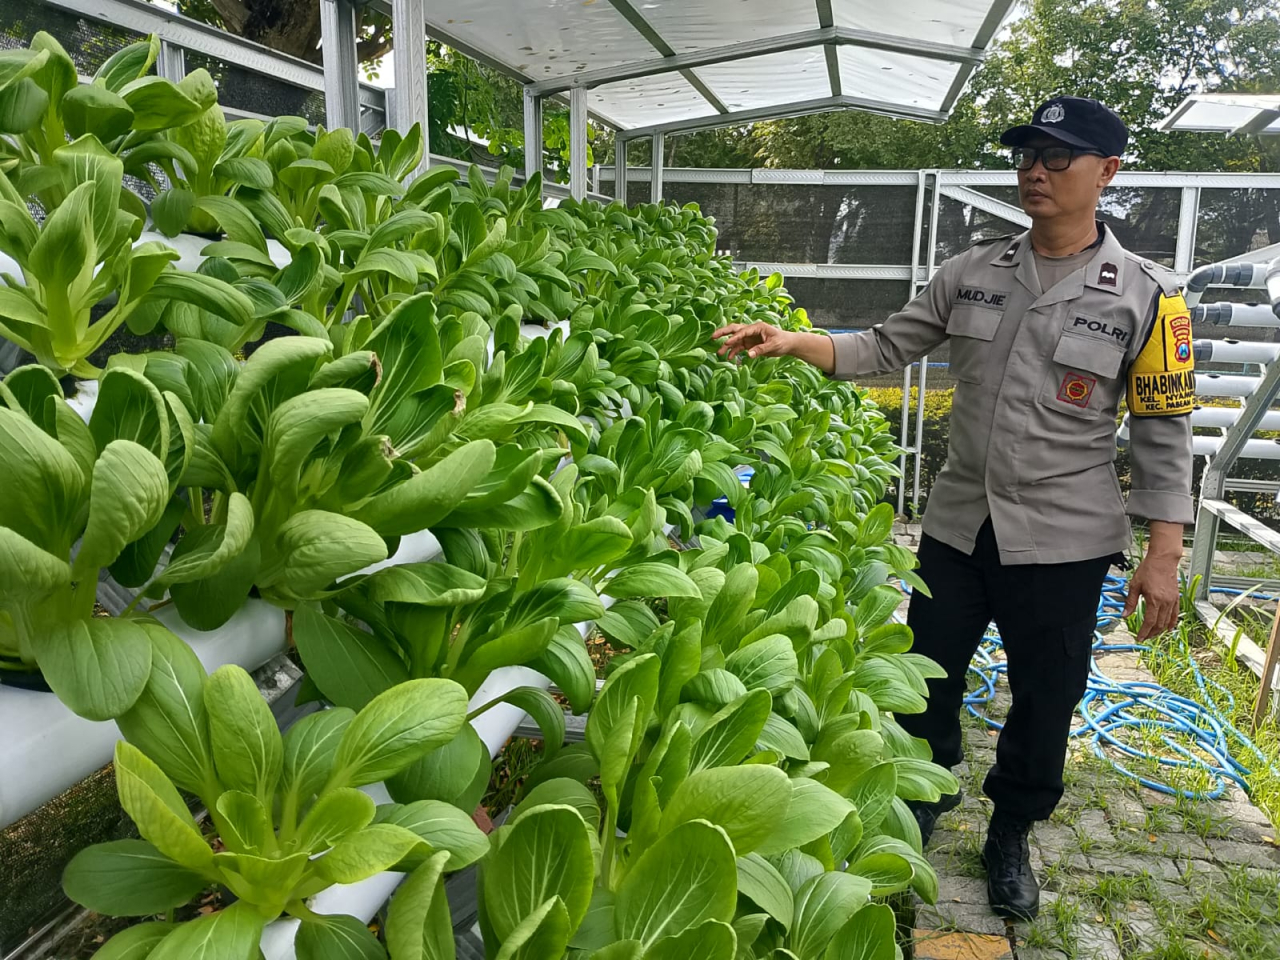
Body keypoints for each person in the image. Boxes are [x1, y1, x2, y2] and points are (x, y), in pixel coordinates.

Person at [713, 96, 1194, 921]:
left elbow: (1162, 431)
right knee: (924, 684)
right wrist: (797, 341)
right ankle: (911, 815)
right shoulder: (971, 272)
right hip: (959, 527)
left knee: (1048, 697)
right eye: (1026, 156)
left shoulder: (1147, 298)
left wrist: (1164, 553)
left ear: (1107, 172)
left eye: (1057, 158)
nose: (1034, 172)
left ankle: (1011, 832)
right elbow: (885, 344)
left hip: (1065, 540)